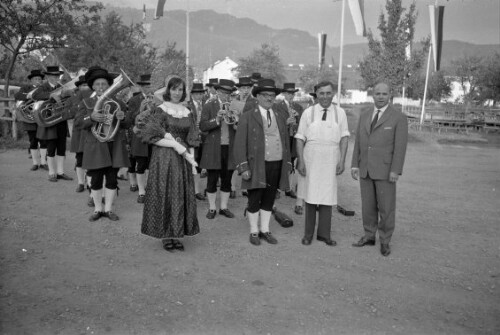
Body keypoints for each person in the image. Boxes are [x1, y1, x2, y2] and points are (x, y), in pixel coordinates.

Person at [137, 75, 200, 252]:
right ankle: (165, 234)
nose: (177, 93)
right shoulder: (160, 109)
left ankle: (176, 232)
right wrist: (174, 144)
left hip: (182, 159)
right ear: (168, 90)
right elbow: (152, 136)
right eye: (174, 89)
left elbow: (192, 138)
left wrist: (192, 161)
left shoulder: (188, 112)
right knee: (165, 193)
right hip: (164, 157)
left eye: (180, 89)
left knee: (179, 195)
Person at [351, 82, 408, 256]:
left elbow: (400, 147)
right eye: (377, 94)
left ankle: (385, 240)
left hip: (385, 171)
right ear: (372, 95)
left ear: (390, 95)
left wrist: (395, 170)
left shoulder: (398, 117)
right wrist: (354, 164)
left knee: (386, 207)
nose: (381, 97)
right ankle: (369, 236)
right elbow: (359, 142)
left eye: (384, 94)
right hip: (365, 168)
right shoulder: (365, 114)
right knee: (367, 206)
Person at [234, 78, 292, 246]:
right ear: (257, 96)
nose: (269, 98)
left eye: (272, 95)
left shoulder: (280, 116)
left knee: (269, 198)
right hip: (256, 164)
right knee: (254, 198)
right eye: (265, 95)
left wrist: (287, 163)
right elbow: (239, 144)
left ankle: (265, 230)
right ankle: (254, 231)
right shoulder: (247, 117)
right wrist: (243, 166)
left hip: (276, 162)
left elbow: (285, 140)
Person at [295, 81, 350, 247]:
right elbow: (299, 138)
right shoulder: (308, 113)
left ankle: (324, 234)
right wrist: (301, 161)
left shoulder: (340, 113)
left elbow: (344, 138)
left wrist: (342, 160)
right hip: (312, 157)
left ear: (333, 94)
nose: (325, 97)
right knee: (311, 196)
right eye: (321, 93)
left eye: (328, 93)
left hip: (331, 157)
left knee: (327, 196)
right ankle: (308, 234)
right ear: (316, 94)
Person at [75, 66, 130, 222]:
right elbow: (79, 123)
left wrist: (123, 117)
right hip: (95, 145)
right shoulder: (86, 102)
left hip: (113, 145)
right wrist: (91, 117)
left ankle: (109, 209)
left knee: (112, 179)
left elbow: (127, 124)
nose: (100, 87)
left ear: (109, 86)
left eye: (104, 84)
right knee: (96, 178)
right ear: (92, 86)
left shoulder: (118, 102)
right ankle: (98, 209)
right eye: (97, 84)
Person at [199, 79, 238, 219]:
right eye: (223, 92)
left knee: (227, 178)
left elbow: (238, 127)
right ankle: (211, 208)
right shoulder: (209, 104)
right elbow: (202, 126)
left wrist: (236, 120)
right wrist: (216, 119)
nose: (226, 96)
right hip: (214, 147)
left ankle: (224, 207)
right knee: (212, 179)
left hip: (229, 147)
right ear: (217, 91)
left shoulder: (234, 106)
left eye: (228, 93)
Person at [32, 65, 73, 182]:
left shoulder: (61, 86)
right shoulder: (43, 86)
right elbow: (34, 95)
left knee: (61, 147)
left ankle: (60, 172)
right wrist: (50, 95)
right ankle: (51, 173)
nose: (56, 77)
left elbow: (68, 102)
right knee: (51, 147)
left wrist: (69, 94)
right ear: (48, 76)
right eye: (53, 75)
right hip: (49, 121)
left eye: (57, 75)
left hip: (61, 120)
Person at [275, 82, 304, 202]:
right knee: (280, 161)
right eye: (288, 93)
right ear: (284, 94)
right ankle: (277, 188)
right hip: (283, 137)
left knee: (292, 161)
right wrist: (286, 122)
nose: (291, 96)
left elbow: (303, 125)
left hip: (294, 137)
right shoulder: (277, 106)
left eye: (292, 93)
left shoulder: (298, 107)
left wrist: (297, 119)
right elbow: (276, 123)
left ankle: (289, 187)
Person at [126, 74, 153, 203]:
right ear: (141, 87)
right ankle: (141, 191)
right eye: (146, 86)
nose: (149, 88)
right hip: (140, 136)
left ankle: (150, 188)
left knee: (152, 164)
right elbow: (130, 119)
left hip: (154, 136)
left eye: (150, 86)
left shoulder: (158, 99)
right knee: (141, 164)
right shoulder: (134, 100)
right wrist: (140, 109)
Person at [14, 69, 48, 171]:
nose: (37, 80)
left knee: (43, 140)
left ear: (42, 80)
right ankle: (35, 163)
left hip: (41, 117)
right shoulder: (25, 88)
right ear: (31, 80)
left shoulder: (44, 88)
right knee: (33, 141)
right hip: (29, 118)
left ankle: (43, 162)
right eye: (35, 79)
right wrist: (30, 95)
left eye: (39, 79)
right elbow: (17, 96)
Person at [68, 75, 92, 192]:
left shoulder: (94, 97)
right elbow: (69, 113)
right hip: (79, 132)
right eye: (83, 85)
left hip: (90, 131)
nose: (86, 87)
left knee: (91, 158)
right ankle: (81, 182)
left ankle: (90, 183)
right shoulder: (73, 98)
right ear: (79, 87)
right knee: (80, 158)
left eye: (87, 85)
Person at [188, 82, 207, 201]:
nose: (199, 95)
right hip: (192, 139)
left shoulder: (206, 105)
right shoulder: (188, 106)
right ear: (192, 94)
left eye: (201, 93)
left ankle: (197, 190)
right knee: (192, 164)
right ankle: (190, 190)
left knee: (200, 165)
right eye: (197, 93)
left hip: (204, 138)